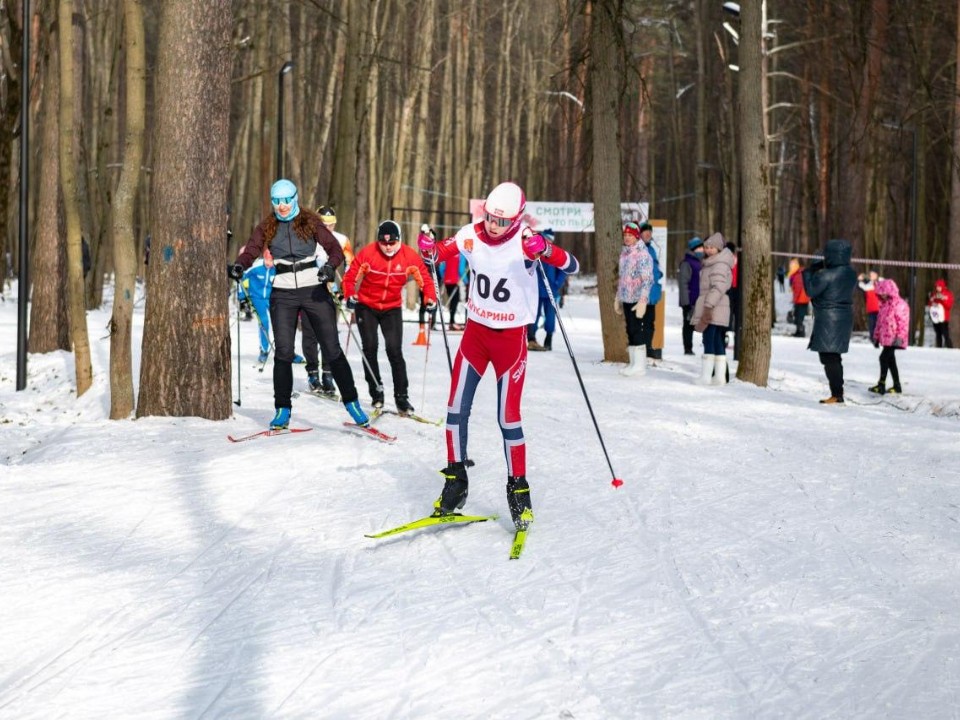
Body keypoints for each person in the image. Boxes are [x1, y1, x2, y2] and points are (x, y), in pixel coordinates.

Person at [417, 181, 580, 531]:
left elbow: (572, 266)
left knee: (508, 418)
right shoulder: (470, 233)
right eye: (490, 217)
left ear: (517, 219)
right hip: (475, 336)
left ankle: (518, 489)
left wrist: (546, 250)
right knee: (454, 410)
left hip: (510, 341)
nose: (493, 225)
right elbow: (436, 256)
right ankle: (455, 480)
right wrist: (428, 248)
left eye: (501, 221)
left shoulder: (526, 240)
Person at [228, 179, 369, 429]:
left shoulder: (310, 221)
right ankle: (282, 409)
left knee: (332, 347)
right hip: (282, 292)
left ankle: (352, 402)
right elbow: (251, 250)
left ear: (295, 198)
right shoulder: (267, 226)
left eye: (286, 200)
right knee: (283, 352)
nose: (282, 206)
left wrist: (328, 268)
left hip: (313, 289)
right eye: (276, 201)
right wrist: (241, 264)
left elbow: (334, 249)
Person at [342, 219, 437, 413]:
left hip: (391, 308)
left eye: (392, 243)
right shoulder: (369, 253)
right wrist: (349, 294)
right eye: (383, 243)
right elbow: (350, 277)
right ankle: (377, 392)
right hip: (366, 306)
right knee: (370, 347)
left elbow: (425, 280)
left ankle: (402, 397)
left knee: (394, 350)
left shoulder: (409, 257)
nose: (387, 247)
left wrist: (430, 299)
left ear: (399, 240)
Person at [302, 205, 355, 395]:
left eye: (331, 225)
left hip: (329, 292)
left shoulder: (342, 240)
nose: (328, 228)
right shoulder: (306, 237)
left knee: (329, 335)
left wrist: (344, 290)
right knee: (310, 335)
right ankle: (312, 374)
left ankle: (327, 374)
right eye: (324, 224)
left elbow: (351, 266)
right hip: (307, 291)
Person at [802, 239, 858, 404]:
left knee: (829, 357)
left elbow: (811, 290)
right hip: (844, 317)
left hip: (829, 319)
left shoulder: (827, 274)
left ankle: (837, 394)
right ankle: (837, 392)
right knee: (834, 356)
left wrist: (812, 269)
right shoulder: (851, 273)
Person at [691, 232, 735, 385]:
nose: (708, 250)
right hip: (717, 306)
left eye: (712, 248)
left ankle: (706, 376)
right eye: (706, 247)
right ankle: (719, 377)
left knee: (709, 339)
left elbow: (718, 287)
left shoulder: (719, 264)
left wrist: (708, 305)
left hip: (715, 306)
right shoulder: (712, 262)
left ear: (719, 249)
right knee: (716, 340)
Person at [614, 222, 654, 376]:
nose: (627, 238)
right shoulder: (624, 254)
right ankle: (633, 363)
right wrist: (618, 297)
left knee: (637, 330)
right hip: (626, 297)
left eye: (630, 235)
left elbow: (647, 279)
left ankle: (640, 366)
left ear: (636, 237)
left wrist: (643, 300)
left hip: (637, 298)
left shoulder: (643, 254)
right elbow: (622, 278)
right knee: (630, 330)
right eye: (625, 235)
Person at [869, 278, 909, 395]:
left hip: (895, 339)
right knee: (890, 361)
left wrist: (900, 337)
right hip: (886, 339)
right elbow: (879, 323)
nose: (883, 296)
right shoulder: (884, 305)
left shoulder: (900, 305)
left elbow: (903, 323)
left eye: (884, 293)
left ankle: (881, 384)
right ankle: (897, 385)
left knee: (883, 358)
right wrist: (876, 337)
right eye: (880, 294)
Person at [527, 228, 566, 351]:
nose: (547, 241)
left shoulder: (554, 253)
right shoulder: (535, 252)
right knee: (534, 315)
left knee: (550, 316)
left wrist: (557, 283)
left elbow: (562, 270)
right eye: (545, 239)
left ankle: (548, 339)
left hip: (551, 291)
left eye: (549, 239)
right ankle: (531, 338)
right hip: (536, 291)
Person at [241, 248, 276, 361]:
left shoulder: (276, 268)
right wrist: (242, 298)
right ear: (264, 258)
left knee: (281, 323)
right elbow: (241, 278)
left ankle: (285, 350)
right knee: (264, 321)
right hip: (257, 298)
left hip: (272, 298)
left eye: (271, 262)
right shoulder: (256, 267)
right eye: (267, 261)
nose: (269, 264)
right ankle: (264, 349)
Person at [638, 221, 664, 360]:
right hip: (641, 292)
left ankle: (648, 347)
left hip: (652, 293)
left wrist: (659, 274)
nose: (648, 233)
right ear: (640, 233)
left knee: (649, 322)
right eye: (645, 231)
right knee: (638, 323)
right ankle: (640, 348)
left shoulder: (652, 249)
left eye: (650, 231)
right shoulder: (637, 248)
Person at [678, 236, 704, 355]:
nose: (702, 250)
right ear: (694, 249)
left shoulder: (700, 263)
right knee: (688, 325)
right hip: (690, 300)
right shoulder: (687, 263)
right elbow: (683, 283)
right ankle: (688, 348)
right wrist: (686, 303)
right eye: (699, 248)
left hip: (699, 300)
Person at [927, 279, 954, 348]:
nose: (937, 288)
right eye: (936, 286)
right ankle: (939, 348)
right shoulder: (934, 294)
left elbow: (949, 306)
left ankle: (950, 348)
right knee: (938, 333)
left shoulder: (948, 294)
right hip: (936, 317)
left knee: (945, 334)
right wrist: (931, 301)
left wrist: (943, 299)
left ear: (942, 286)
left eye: (939, 286)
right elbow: (930, 305)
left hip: (944, 318)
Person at [857, 269, 881, 347]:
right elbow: (862, 287)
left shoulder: (880, 282)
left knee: (879, 326)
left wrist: (861, 281)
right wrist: (860, 280)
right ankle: (874, 340)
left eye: (873, 274)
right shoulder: (869, 284)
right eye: (871, 275)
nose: (872, 276)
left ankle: (878, 340)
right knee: (872, 325)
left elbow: (867, 287)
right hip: (872, 309)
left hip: (881, 309)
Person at [788, 257, 810, 337]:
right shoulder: (802, 273)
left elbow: (797, 288)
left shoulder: (798, 275)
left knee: (799, 317)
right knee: (799, 316)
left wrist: (795, 299)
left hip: (801, 299)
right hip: (804, 299)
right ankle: (799, 331)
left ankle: (800, 332)